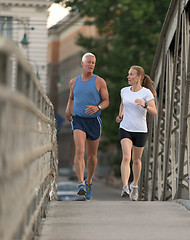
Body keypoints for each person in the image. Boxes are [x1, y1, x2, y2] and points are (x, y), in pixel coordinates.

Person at [65, 52, 109, 200]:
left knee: (91, 156)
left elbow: (106, 101)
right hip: (78, 120)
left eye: (93, 63)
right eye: (89, 62)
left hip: (94, 121)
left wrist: (98, 108)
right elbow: (71, 98)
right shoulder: (73, 82)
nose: (91, 65)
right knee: (80, 150)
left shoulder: (100, 81)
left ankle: (89, 181)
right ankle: (81, 183)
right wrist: (67, 109)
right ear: (82, 64)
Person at [115, 65, 157, 201]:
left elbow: (154, 111)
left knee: (136, 160)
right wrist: (120, 115)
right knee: (126, 157)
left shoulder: (146, 93)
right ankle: (125, 186)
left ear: (139, 77)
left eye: (131, 74)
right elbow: (123, 104)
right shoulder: (124, 91)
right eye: (128, 74)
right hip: (125, 128)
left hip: (140, 130)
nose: (128, 76)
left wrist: (144, 105)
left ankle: (135, 186)